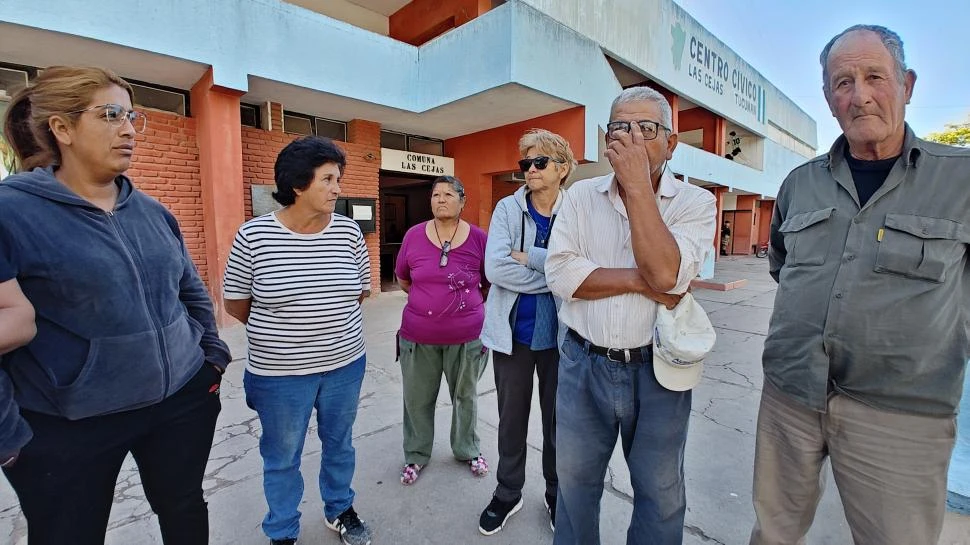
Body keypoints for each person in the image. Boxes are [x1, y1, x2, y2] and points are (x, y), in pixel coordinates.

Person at [750, 25, 970, 545]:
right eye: (842, 82)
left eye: (875, 76)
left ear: (907, 84)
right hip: (791, 397)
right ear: (828, 98)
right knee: (773, 533)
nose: (859, 95)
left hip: (900, 416)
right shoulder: (799, 184)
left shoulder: (959, 180)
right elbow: (783, 266)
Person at [0, 66, 229, 545]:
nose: (128, 129)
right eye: (110, 115)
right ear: (61, 129)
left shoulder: (153, 211)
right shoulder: (12, 212)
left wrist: (211, 360)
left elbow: (189, 291)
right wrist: (10, 438)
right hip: (67, 425)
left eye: (131, 116)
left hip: (180, 402)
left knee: (184, 508)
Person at [545, 86, 716, 545]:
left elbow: (666, 271)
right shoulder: (580, 196)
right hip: (583, 366)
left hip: (658, 371)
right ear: (606, 137)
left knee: (660, 494)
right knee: (575, 487)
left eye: (647, 129)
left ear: (671, 142)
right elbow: (562, 274)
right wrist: (643, 282)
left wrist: (639, 185)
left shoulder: (696, 204)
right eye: (621, 127)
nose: (633, 138)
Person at [223, 136, 373, 545]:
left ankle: (340, 508)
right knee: (282, 456)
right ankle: (283, 529)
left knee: (340, 444)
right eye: (327, 179)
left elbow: (360, 291)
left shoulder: (348, 233)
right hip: (280, 375)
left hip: (344, 366)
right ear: (297, 185)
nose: (337, 188)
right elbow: (237, 303)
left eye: (337, 178)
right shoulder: (254, 236)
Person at [478, 129, 575, 535]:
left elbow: (583, 268)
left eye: (539, 163)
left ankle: (556, 493)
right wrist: (556, 274)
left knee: (559, 424)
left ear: (562, 168)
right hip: (514, 335)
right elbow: (495, 268)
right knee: (511, 420)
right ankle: (507, 492)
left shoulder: (578, 210)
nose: (530, 170)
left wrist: (533, 259)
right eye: (526, 164)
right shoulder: (506, 209)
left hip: (564, 340)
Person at [394, 176, 490, 486]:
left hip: (467, 338)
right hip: (418, 336)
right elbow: (404, 279)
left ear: (463, 202)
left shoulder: (478, 238)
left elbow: (488, 284)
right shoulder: (413, 236)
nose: (441, 199)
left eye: (449, 194)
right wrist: (429, 305)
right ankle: (416, 454)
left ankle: (468, 450)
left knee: (465, 397)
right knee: (417, 399)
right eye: (436, 194)